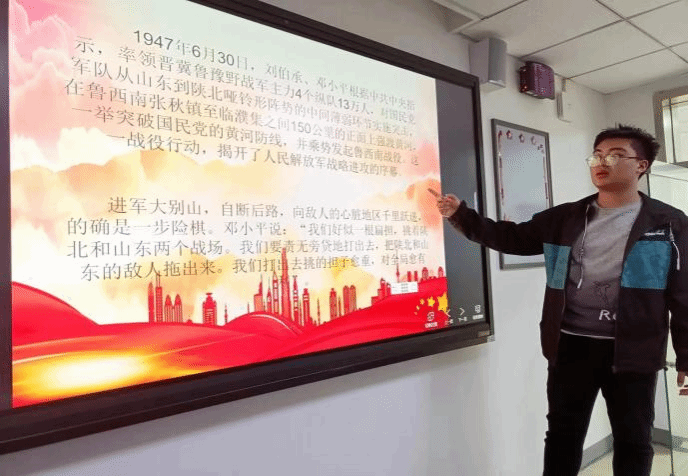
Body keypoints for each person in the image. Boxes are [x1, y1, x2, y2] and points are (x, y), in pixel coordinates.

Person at [431, 125, 688, 476]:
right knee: (563, 437)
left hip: (633, 349)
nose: (602, 163)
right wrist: (462, 215)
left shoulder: (669, 222)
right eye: (597, 156)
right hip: (570, 346)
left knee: (634, 439)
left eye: (615, 156)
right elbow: (513, 237)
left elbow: (683, 293)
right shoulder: (565, 218)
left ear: (641, 166)